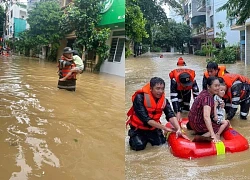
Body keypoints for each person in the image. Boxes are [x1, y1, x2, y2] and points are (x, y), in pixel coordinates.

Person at [126, 77, 188, 151]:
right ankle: (133, 138)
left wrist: (178, 129)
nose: (160, 91)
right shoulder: (139, 98)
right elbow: (146, 119)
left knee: (161, 144)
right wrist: (165, 128)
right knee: (138, 146)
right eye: (157, 88)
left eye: (162, 89)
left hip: (153, 129)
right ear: (151, 89)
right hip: (138, 129)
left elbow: (170, 114)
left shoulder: (164, 101)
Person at [188, 76, 229, 142]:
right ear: (208, 86)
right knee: (226, 124)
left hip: (192, 123)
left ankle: (202, 133)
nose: (218, 88)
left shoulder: (204, 92)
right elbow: (206, 117)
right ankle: (203, 136)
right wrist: (213, 135)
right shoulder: (208, 98)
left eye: (219, 86)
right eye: (215, 86)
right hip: (198, 125)